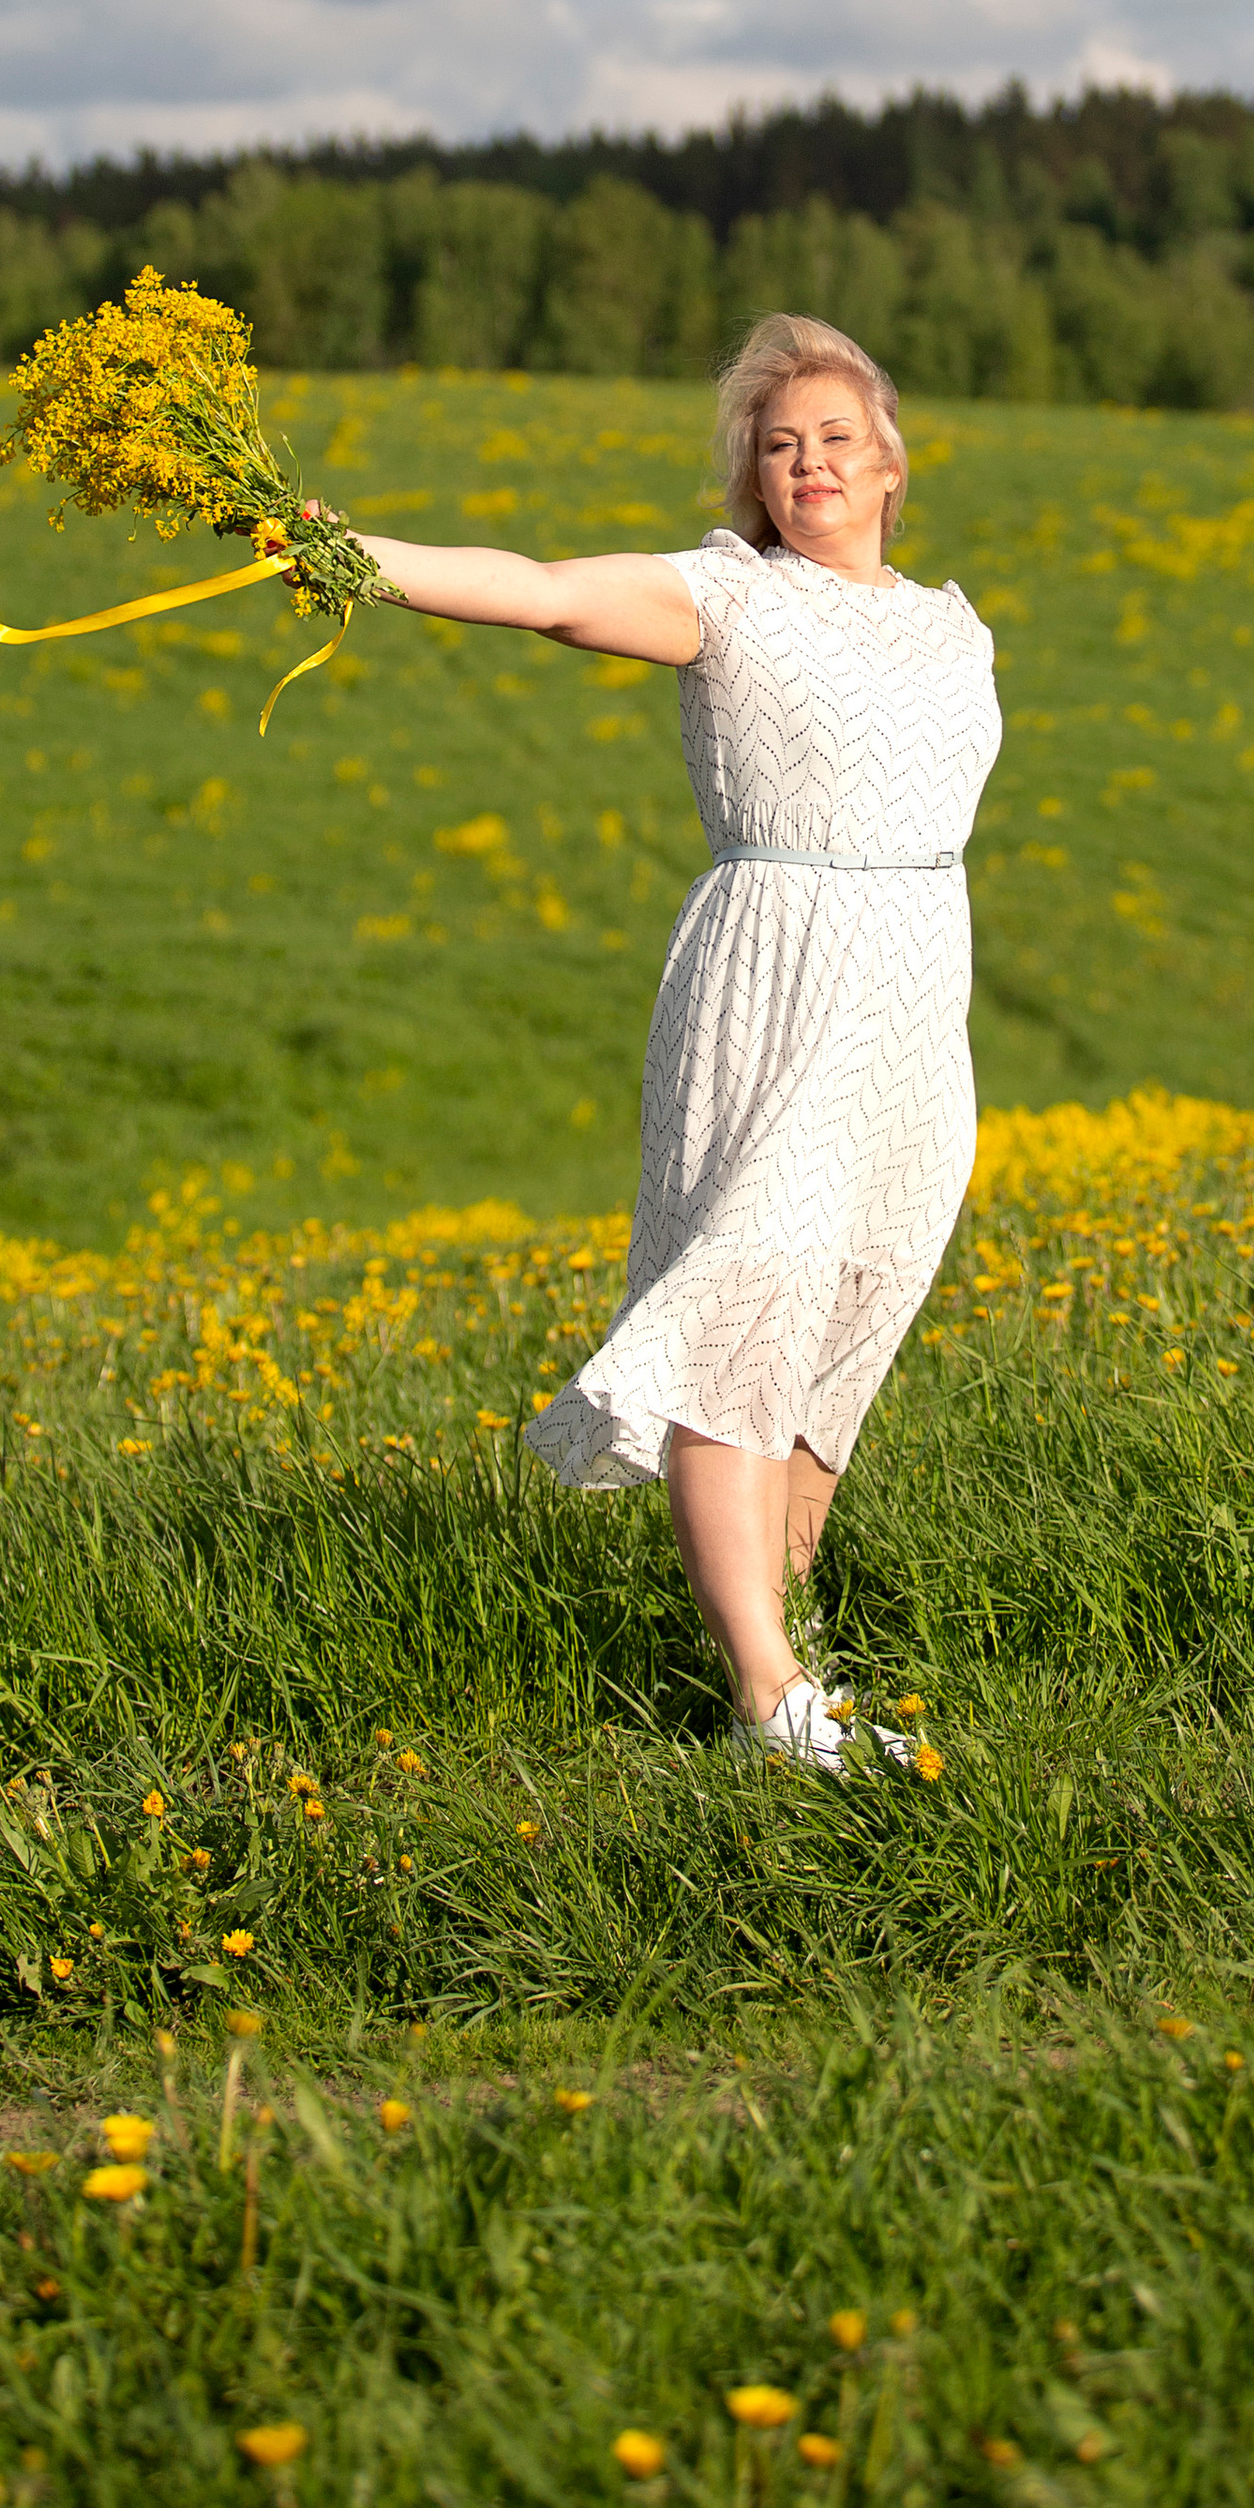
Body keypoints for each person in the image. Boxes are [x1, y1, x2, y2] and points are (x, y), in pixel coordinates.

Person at [347, 312, 1001, 1771]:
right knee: (744, 1304)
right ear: (755, 482)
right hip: (775, 975)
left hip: (913, 995)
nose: (808, 462)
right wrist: (348, 558)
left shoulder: (955, 626)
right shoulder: (726, 597)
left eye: (835, 437)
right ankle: (769, 1700)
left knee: (846, 1321)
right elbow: (539, 590)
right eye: (780, 446)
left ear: (891, 461)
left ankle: (791, 1678)